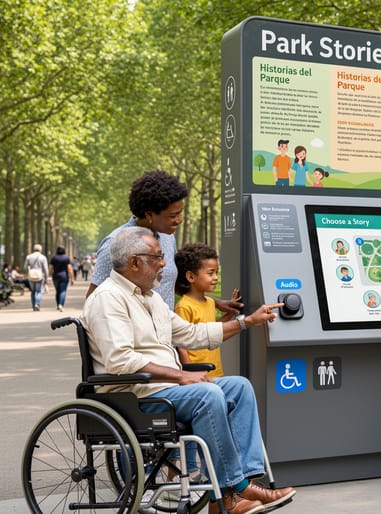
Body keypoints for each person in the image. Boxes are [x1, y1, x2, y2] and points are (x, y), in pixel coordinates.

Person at [83, 227, 297, 513]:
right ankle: (228, 495)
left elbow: (192, 333)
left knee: (240, 387)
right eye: (157, 257)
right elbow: (120, 361)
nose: (164, 264)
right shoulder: (108, 299)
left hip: (166, 390)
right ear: (134, 262)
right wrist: (182, 375)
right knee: (207, 395)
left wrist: (247, 322)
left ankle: (244, 482)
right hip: (136, 396)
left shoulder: (151, 298)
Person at [87, 170, 241, 315]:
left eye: (180, 213)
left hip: (167, 336)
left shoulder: (167, 237)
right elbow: (94, 301)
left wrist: (214, 302)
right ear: (149, 215)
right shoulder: (114, 245)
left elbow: (170, 284)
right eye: (173, 215)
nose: (179, 220)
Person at [174, 243, 240, 378]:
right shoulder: (184, 306)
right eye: (210, 273)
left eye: (216, 272)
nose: (216, 277)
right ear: (191, 277)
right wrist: (189, 372)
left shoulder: (210, 302)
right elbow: (181, 345)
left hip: (215, 369)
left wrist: (231, 313)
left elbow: (212, 329)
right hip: (197, 372)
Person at [49, 246, 75, 312]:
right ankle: (61, 304)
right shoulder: (66, 258)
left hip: (55, 276)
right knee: (63, 291)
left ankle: (58, 304)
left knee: (57, 291)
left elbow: (51, 267)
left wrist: (49, 274)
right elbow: (69, 268)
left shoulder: (54, 258)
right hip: (64, 276)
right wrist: (72, 278)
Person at [24, 244, 48, 311]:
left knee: (33, 291)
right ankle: (37, 304)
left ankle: (33, 305)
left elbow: (25, 267)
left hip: (31, 276)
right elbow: (45, 269)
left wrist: (28, 272)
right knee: (39, 291)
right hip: (39, 275)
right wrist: (46, 277)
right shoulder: (43, 257)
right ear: (40, 250)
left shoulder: (28, 257)